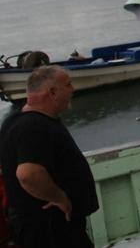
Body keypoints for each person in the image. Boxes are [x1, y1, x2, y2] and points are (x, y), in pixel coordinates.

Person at [0, 66, 97, 247]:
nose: (73, 89)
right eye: (68, 84)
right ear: (53, 92)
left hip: (46, 226)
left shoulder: (16, 120)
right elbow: (28, 174)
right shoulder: (34, 126)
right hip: (49, 228)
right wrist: (59, 197)